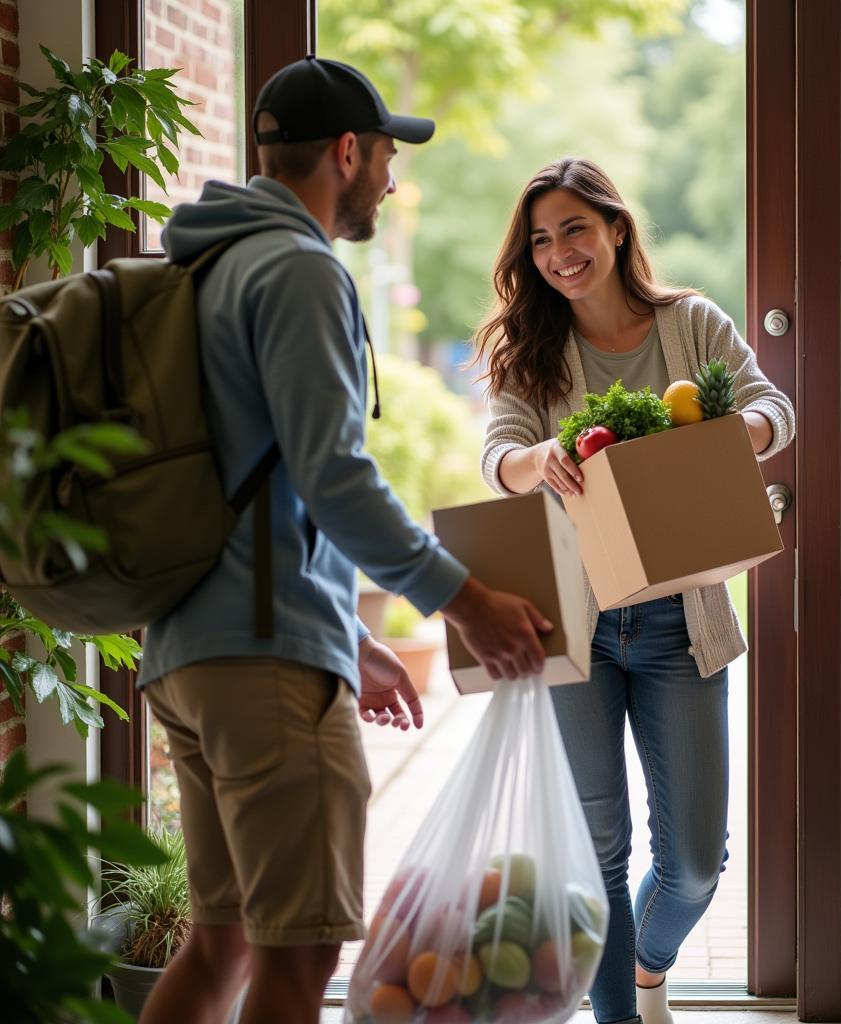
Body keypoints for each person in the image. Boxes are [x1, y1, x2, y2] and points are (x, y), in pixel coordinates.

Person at [136, 57, 552, 1024]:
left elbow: (249, 481)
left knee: (222, 940)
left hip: (191, 650)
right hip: (263, 661)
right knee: (297, 952)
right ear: (349, 153)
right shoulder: (300, 270)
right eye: (387, 159)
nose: (393, 182)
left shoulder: (208, 265)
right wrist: (466, 600)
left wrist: (348, 637)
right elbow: (335, 475)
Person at [475, 157, 795, 1024]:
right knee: (599, 853)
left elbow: (776, 408)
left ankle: (648, 966)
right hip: (571, 624)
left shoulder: (690, 324)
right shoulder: (532, 351)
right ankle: (619, 1015)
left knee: (696, 859)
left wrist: (737, 431)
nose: (558, 253)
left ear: (617, 229)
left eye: (575, 228)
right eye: (540, 240)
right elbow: (496, 455)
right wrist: (536, 459)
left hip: (681, 622)